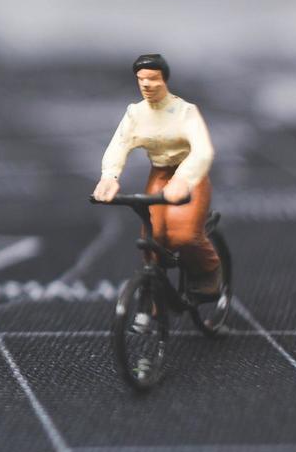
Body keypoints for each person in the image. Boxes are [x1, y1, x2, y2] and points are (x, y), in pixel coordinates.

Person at [91, 52, 222, 300]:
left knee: (185, 235)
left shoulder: (185, 111)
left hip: (190, 175)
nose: (146, 85)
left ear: (164, 79)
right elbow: (119, 145)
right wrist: (109, 177)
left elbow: (203, 151)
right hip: (159, 174)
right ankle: (154, 295)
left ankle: (209, 271)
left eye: (152, 79)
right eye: (141, 80)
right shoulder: (135, 114)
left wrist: (183, 180)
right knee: (153, 239)